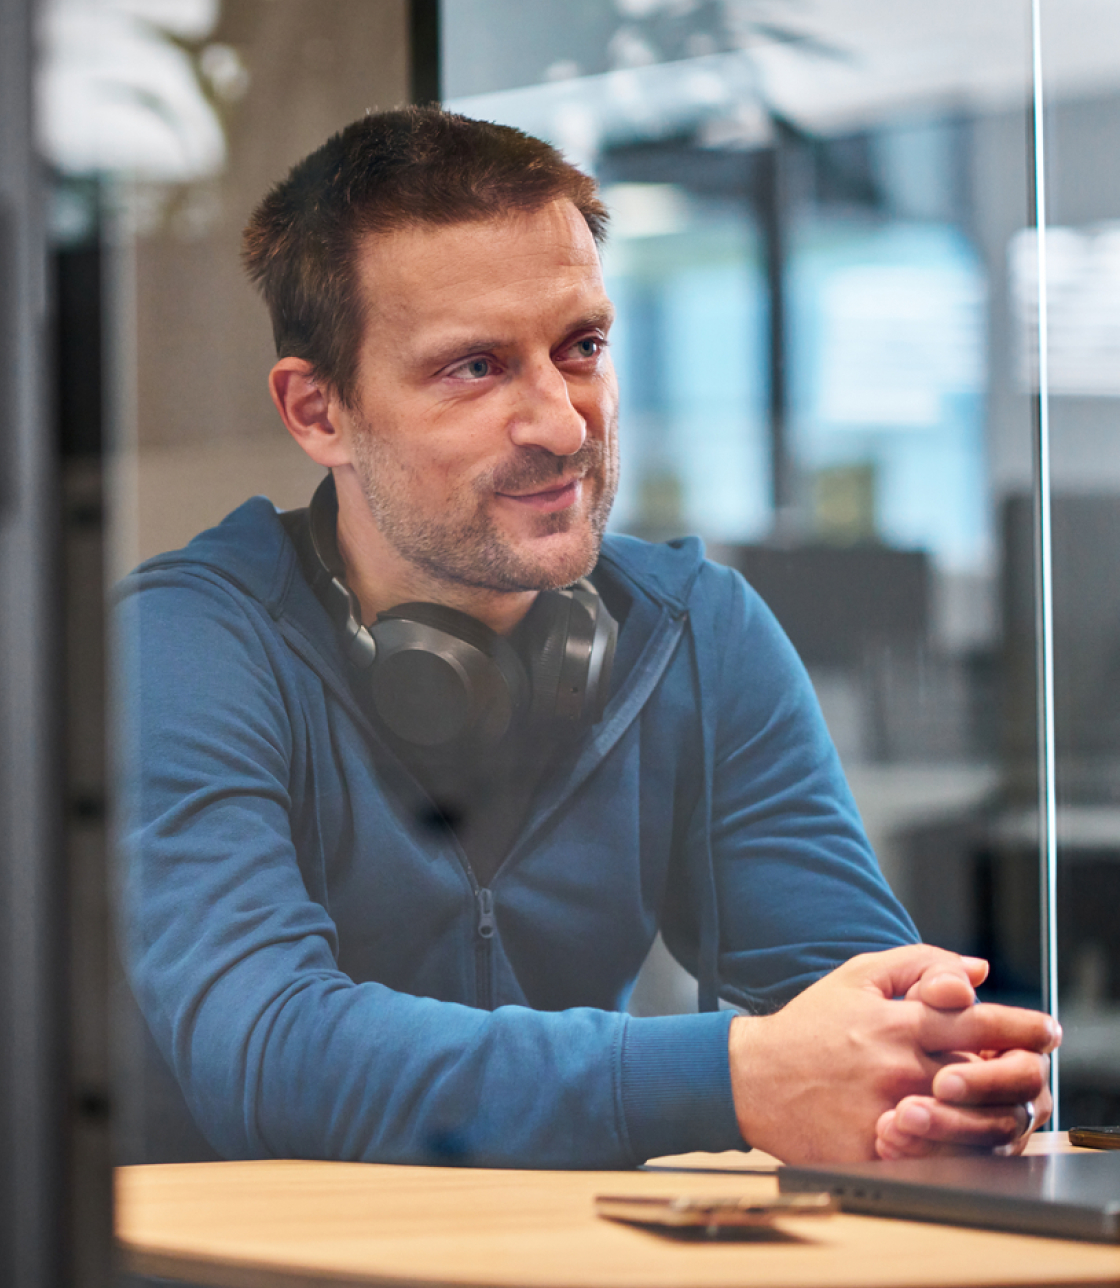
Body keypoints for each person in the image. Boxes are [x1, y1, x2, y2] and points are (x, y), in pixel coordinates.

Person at [117, 106, 1056, 1168]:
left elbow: (852, 999)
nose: (564, 423)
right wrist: (736, 1078)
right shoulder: (184, 647)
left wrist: (934, 1067)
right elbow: (273, 1060)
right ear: (319, 412)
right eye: (474, 367)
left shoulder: (695, 631)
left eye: (582, 348)